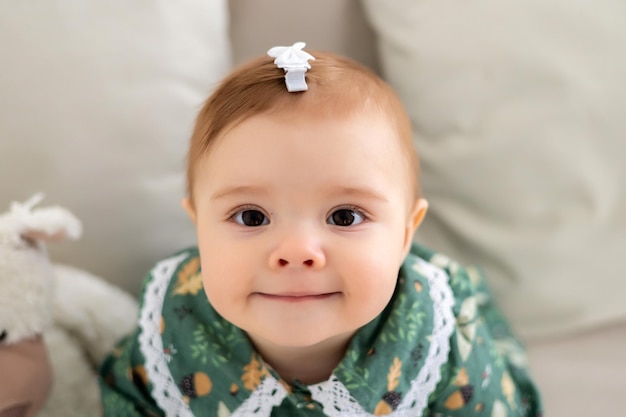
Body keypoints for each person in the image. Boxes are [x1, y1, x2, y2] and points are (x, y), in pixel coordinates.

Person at [98, 42, 542, 417]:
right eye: (251, 217)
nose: (295, 251)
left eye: (344, 217)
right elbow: (127, 399)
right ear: (199, 229)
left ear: (406, 235)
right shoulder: (171, 320)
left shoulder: (442, 339)